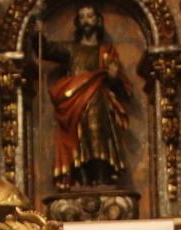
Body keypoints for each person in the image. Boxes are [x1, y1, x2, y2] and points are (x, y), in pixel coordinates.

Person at [33, 4, 131, 189]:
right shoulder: (71, 50)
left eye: (90, 16)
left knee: (97, 135)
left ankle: (102, 179)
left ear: (97, 21)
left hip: (98, 100)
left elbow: (121, 84)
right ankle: (81, 179)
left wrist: (113, 76)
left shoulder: (106, 51)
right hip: (73, 103)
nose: (86, 20)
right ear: (78, 22)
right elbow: (46, 50)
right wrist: (37, 34)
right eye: (83, 17)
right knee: (76, 140)